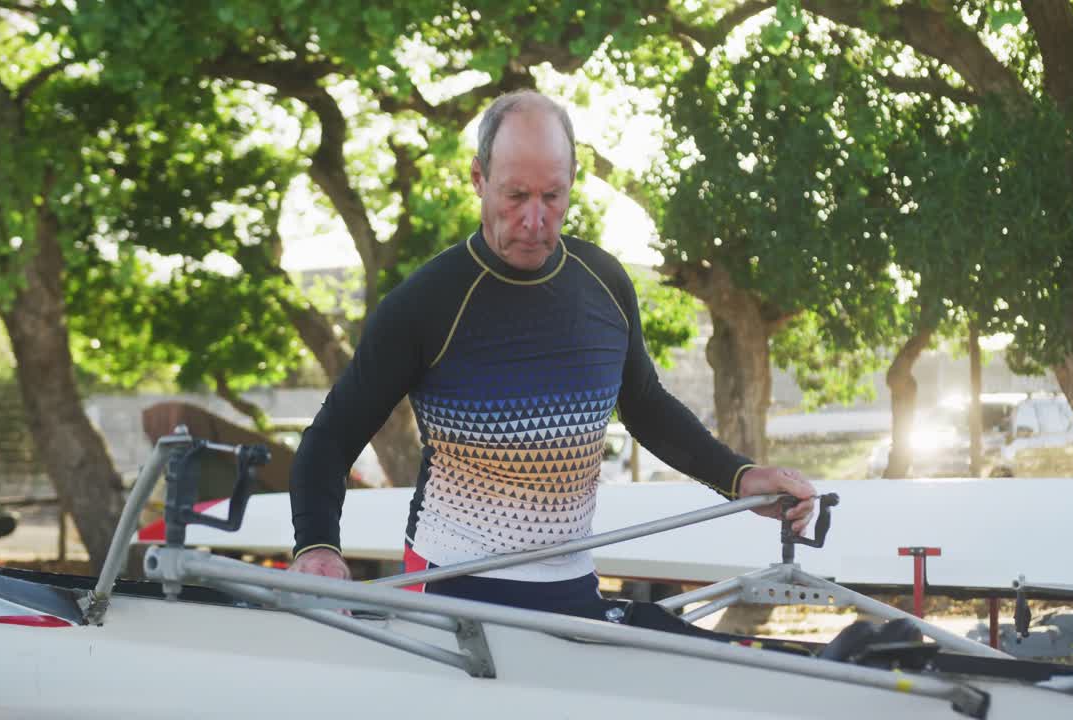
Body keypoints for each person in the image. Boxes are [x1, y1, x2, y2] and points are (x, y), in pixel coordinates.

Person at [288, 89, 816, 611]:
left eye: (552, 196)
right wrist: (316, 547)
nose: (535, 220)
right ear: (479, 179)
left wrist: (741, 477)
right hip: (450, 585)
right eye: (516, 196)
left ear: (572, 185)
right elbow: (332, 437)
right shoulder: (426, 302)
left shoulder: (605, 282)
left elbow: (646, 407)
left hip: (572, 579)